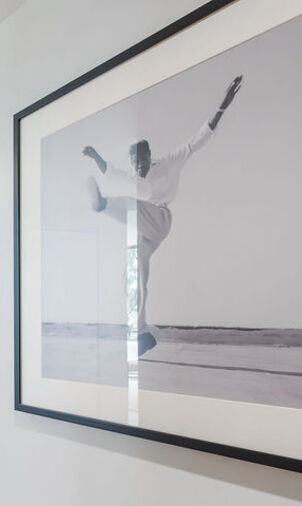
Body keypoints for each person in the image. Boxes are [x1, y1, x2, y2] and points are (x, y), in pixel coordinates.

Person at [82, 75, 243, 355]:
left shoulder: (167, 164)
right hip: (145, 235)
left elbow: (196, 141)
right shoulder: (132, 176)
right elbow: (111, 171)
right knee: (133, 275)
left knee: (132, 205)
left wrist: (222, 106)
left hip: (160, 219)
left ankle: (103, 205)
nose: (139, 166)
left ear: (150, 155)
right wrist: (96, 156)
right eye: (134, 162)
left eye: (142, 159)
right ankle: (143, 332)